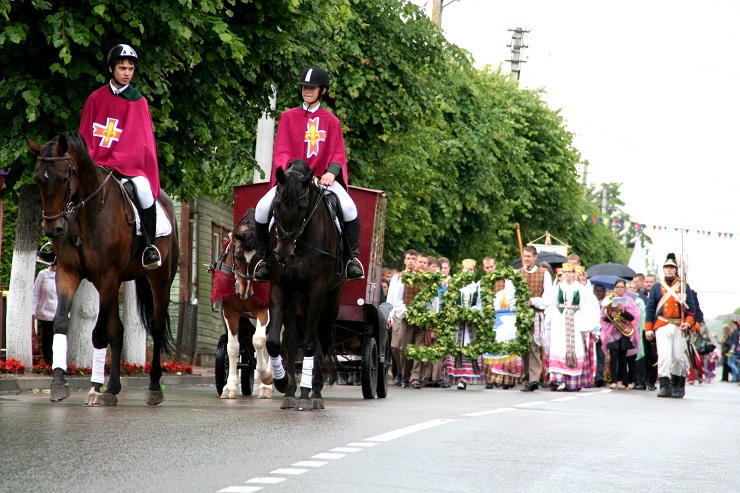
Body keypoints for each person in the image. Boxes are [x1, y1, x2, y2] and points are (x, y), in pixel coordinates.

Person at [253, 66, 363, 282]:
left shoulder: (332, 121)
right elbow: (282, 150)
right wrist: (288, 176)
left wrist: (331, 173)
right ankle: (265, 260)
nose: (306, 91)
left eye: (311, 88)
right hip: (292, 182)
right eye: (304, 87)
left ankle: (351, 260)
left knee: (350, 209)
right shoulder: (287, 117)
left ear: (322, 91)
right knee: (261, 209)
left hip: (321, 179)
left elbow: (338, 153)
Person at [79, 43, 162, 269]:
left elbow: (138, 141)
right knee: (69, 187)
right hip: (96, 164)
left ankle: (149, 247)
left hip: (127, 166)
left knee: (145, 193)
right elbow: (85, 134)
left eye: (130, 69)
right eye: (122, 68)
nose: (127, 73)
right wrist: (90, 162)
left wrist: (115, 162)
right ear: (111, 69)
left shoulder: (138, 101)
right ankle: (57, 246)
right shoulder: (95, 99)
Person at [644, 253, 698, 398]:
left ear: (676, 270)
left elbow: (692, 310)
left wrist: (687, 323)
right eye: (667, 267)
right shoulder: (656, 287)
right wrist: (648, 328)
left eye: (671, 268)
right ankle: (664, 384)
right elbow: (650, 309)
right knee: (663, 356)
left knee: (678, 357)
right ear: (664, 269)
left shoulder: (684, 286)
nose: (669, 270)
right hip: (662, 324)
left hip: (679, 325)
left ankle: (677, 384)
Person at [544, 263, 600, 391]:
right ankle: (558, 380)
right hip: (560, 319)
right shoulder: (558, 287)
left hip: (575, 319)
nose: (567, 274)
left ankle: (572, 382)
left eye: (570, 272)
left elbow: (584, 307)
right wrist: (549, 322)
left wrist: (585, 327)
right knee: (559, 346)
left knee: (574, 347)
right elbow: (553, 305)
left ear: (574, 273)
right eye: (565, 272)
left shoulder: (580, 289)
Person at [518, 246, 553, 392]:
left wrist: (533, 301)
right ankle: (526, 377)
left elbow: (548, 298)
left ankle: (533, 378)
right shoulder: (518, 273)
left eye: (529, 256)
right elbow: (512, 294)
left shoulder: (543, 274)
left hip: (536, 314)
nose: (526, 259)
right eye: (524, 256)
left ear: (535, 257)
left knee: (533, 346)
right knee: (523, 347)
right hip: (521, 315)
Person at [445, 259, 484, 390]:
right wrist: (457, 311)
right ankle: (459, 377)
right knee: (458, 347)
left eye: (471, 269)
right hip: (458, 324)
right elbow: (450, 303)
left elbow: (480, 305)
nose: (468, 272)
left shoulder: (477, 287)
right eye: (466, 269)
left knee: (469, 347)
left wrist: (472, 312)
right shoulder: (456, 286)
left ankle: (465, 378)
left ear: (474, 272)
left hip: (471, 325)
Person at [600, 280, 642, 389]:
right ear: (614, 288)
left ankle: (621, 380)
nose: (619, 289)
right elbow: (604, 317)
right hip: (612, 332)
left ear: (625, 289)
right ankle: (613, 380)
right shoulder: (609, 300)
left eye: (622, 287)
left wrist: (622, 311)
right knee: (613, 356)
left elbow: (633, 317)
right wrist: (612, 315)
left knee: (622, 357)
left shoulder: (629, 301)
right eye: (617, 287)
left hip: (624, 332)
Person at [387, 250, 417, 387]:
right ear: (405, 261)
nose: (411, 261)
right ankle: (399, 371)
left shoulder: (419, 277)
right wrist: (389, 315)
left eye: (413, 259)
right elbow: (391, 297)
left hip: (410, 313)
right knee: (395, 346)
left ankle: (403, 373)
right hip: (397, 313)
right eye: (409, 259)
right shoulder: (398, 277)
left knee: (404, 347)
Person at [32, 247, 58, 365]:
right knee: (47, 338)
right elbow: (35, 293)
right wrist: (33, 311)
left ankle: (58, 362)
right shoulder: (43, 274)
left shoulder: (64, 275)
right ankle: (48, 362)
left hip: (59, 313)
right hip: (46, 313)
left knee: (58, 339)